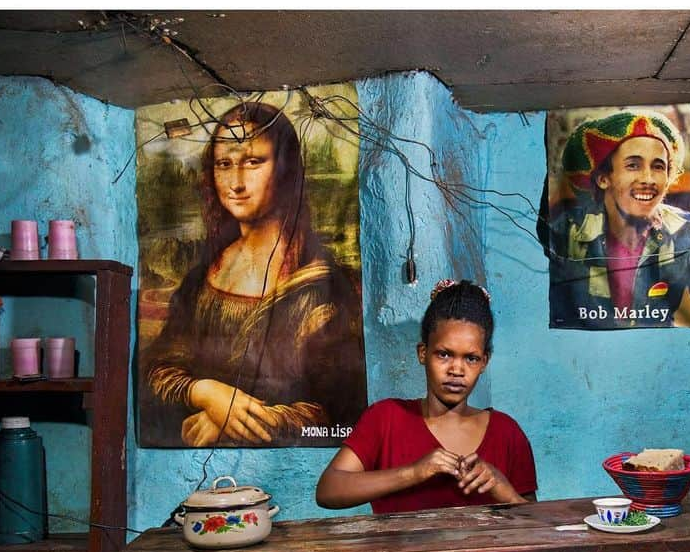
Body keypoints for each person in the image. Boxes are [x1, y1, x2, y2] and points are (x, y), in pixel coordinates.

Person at [142, 100, 366, 447]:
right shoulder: (201, 279)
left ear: (285, 169)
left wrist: (234, 421)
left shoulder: (323, 286)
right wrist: (205, 393)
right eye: (224, 164)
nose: (236, 182)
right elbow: (158, 369)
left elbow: (337, 412)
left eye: (253, 162)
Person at [315, 279, 537, 514]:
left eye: (471, 358)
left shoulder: (507, 433)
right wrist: (416, 472)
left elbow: (536, 524)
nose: (456, 370)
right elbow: (328, 490)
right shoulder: (386, 419)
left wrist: (506, 493)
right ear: (423, 353)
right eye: (444, 354)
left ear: (484, 361)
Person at [544, 109, 690, 328]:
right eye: (633, 165)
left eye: (658, 166)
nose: (648, 178)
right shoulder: (567, 233)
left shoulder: (687, 231)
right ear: (603, 178)